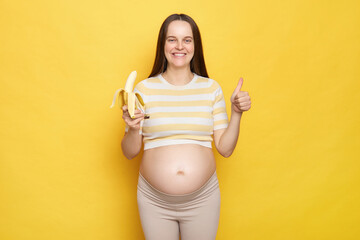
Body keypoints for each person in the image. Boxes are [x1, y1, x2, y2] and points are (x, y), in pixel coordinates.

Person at [121, 13, 251, 240]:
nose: (179, 46)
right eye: (172, 39)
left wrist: (237, 114)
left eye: (187, 40)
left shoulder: (211, 89)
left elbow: (225, 149)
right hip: (154, 201)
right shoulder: (144, 89)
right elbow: (129, 152)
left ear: (195, 45)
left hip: (203, 199)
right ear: (162, 45)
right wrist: (133, 128)